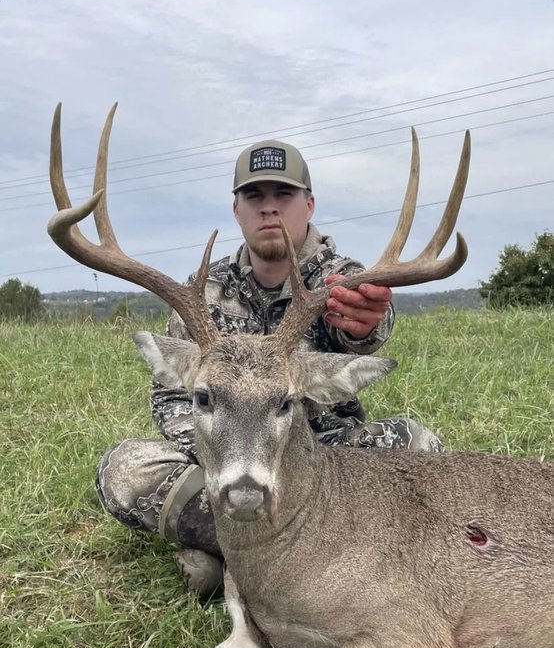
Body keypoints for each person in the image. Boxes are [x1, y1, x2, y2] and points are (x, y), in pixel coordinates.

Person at [96, 139, 444, 599]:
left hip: (323, 462)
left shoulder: (338, 280)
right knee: (124, 470)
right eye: (254, 196)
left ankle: (231, 562)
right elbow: (170, 396)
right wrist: (213, 449)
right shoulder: (201, 293)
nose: (269, 208)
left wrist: (363, 328)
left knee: (419, 445)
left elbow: (366, 329)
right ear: (236, 210)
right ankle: (282, 556)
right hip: (226, 461)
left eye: (284, 194)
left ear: (309, 204)